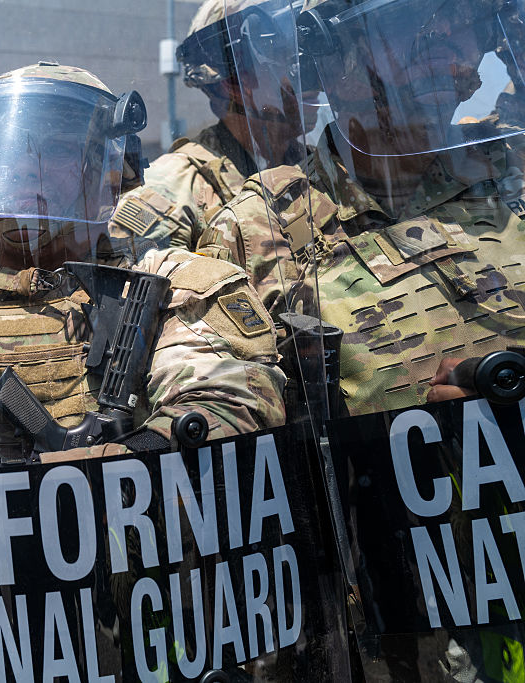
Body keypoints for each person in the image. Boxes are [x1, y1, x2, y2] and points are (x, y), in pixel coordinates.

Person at [198, 0, 525, 678]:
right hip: (396, 631)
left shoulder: (511, 176)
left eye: (460, 27)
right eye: (414, 31)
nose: (456, 57)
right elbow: (228, 437)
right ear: (337, 65)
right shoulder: (259, 230)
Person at [0, 62, 286, 467]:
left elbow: (233, 403)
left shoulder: (174, 289)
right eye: (0, 153)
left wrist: (122, 457)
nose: (25, 167)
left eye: (57, 150)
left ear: (109, 173)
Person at [109, 0, 318, 252]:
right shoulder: (173, 191)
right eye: (278, 56)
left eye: (300, 52)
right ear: (232, 85)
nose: (305, 70)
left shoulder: (323, 171)